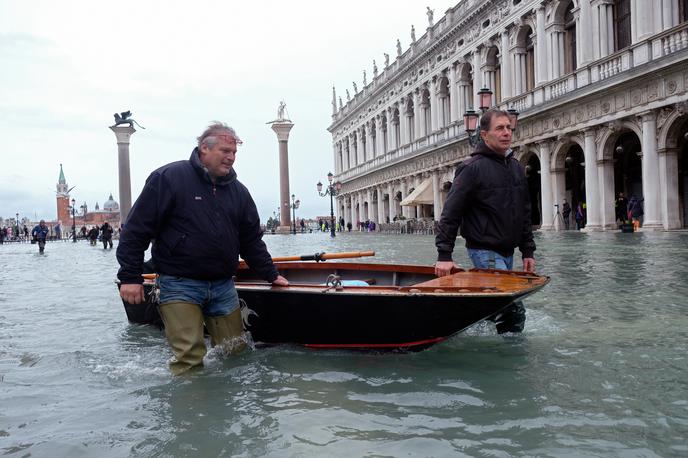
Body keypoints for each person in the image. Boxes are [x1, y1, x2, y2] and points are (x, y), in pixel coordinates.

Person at [117, 122, 288, 375]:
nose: (231, 157)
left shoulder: (239, 193)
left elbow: (251, 241)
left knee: (234, 353)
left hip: (222, 285)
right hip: (178, 284)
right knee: (189, 358)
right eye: (225, 150)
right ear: (203, 149)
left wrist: (271, 274)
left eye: (234, 152)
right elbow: (136, 230)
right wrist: (130, 277)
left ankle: (224, 409)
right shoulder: (168, 178)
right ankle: (191, 409)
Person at [434, 109, 535, 334]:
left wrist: (527, 250)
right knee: (513, 309)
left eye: (509, 128)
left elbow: (525, 211)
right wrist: (444, 255)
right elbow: (451, 212)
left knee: (494, 305)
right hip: (484, 250)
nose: (507, 133)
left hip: (508, 252)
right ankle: (512, 361)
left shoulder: (517, 167)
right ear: (484, 134)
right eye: (499, 128)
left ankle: (469, 328)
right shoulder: (471, 168)